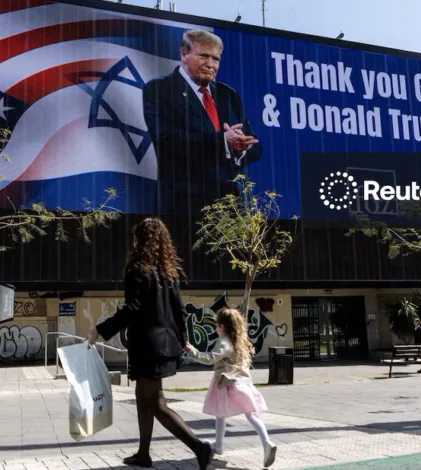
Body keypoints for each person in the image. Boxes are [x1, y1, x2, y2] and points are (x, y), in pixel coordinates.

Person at [88, 218, 214, 469]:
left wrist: (100, 330)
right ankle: (143, 454)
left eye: (136, 237)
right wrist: (183, 338)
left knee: (156, 403)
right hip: (166, 344)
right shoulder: (168, 272)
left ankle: (200, 448)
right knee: (143, 398)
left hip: (148, 346)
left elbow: (133, 308)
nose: (133, 241)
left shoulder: (137, 268)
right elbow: (180, 310)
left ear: (140, 240)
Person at [143, 29, 262, 271]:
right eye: (204, 56)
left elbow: (255, 145)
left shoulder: (228, 95)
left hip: (229, 211)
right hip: (183, 210)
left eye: (216, 59)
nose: (211, 65)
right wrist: (222, 141)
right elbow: (167, 141)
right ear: (184, 54)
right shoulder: (159, 90)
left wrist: (239, 147)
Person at [184, 308, 277, 468]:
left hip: (228, 385)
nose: (215, 328)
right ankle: (267, 442)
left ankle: (219, 445)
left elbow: (210, 359)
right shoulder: (241, 340)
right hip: (244, 384)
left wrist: (191, 350)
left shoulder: (224, 342)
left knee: (221, 414)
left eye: (217, 325)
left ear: (222, 326)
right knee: (252, 415)